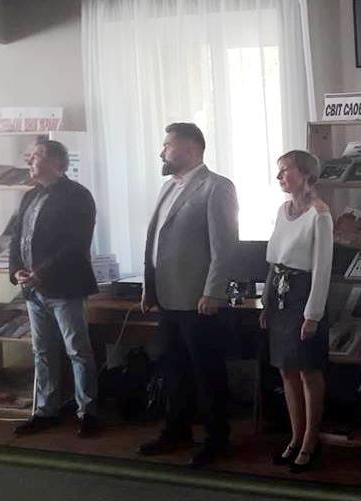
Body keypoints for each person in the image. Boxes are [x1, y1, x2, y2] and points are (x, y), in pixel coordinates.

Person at [138, 122, 239, 468]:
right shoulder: (168, 187)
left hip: (199, 300)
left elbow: (225, 247)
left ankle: (217, 439)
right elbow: (155, 241)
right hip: (167, 298)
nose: (162, 152)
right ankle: (176, 431)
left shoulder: (217, 187)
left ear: (191, 148)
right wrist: (149, 288)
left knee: (206, 373)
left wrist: (213, 291)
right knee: (173, 370)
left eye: (168, 145)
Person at [9, 139, 99, 438]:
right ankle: (45, 412)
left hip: (65, 288)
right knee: (43, 351)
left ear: (56, 162)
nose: (29, 161)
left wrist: (41, 272)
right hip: (32, 291)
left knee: (77, 351)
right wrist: (16, 270)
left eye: (35, 156)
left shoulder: (77, 196)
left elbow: (75, 245)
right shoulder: (29, 196)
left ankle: (87, 413)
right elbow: (16, 238)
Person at [260, 150, 333, 473]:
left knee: (308, 371)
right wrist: (266, 302)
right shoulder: (282, 210)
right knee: (286, 369)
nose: (279, 176)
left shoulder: (320, 214)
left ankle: (310, 440)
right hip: (280, 296)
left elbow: (322, 269)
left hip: (304, 297)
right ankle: (294, 436)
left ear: (305, 174)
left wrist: (312, 314)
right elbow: (274, 261)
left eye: (285, 170)